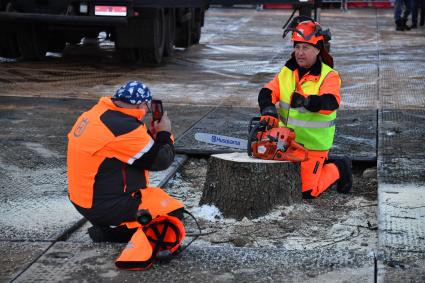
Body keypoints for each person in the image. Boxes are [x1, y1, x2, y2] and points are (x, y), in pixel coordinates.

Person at [67, 81, 185, 269]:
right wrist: (164, 134)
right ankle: (112, 232)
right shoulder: (125, 127)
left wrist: (150, 135)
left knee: (150, 198)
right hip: (106, 207)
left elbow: (123, 149)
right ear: (141, 106)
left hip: (82, 199)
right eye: (147, 107)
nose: (147, 111)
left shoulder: (94, 114)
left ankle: (109, 225)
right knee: (172, 212)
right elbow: (161, 160)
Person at [257, 17, 352, 199]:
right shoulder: (287, 72)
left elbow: (331, 102)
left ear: (317, 49)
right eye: (297, 47)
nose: (300, 52)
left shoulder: (329, 76)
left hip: (312, 146)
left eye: (306, 47)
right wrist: (268, 110)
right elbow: (267, 92)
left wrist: (305, 101)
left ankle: (339, 167)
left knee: (306, 191)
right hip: (285, 142)